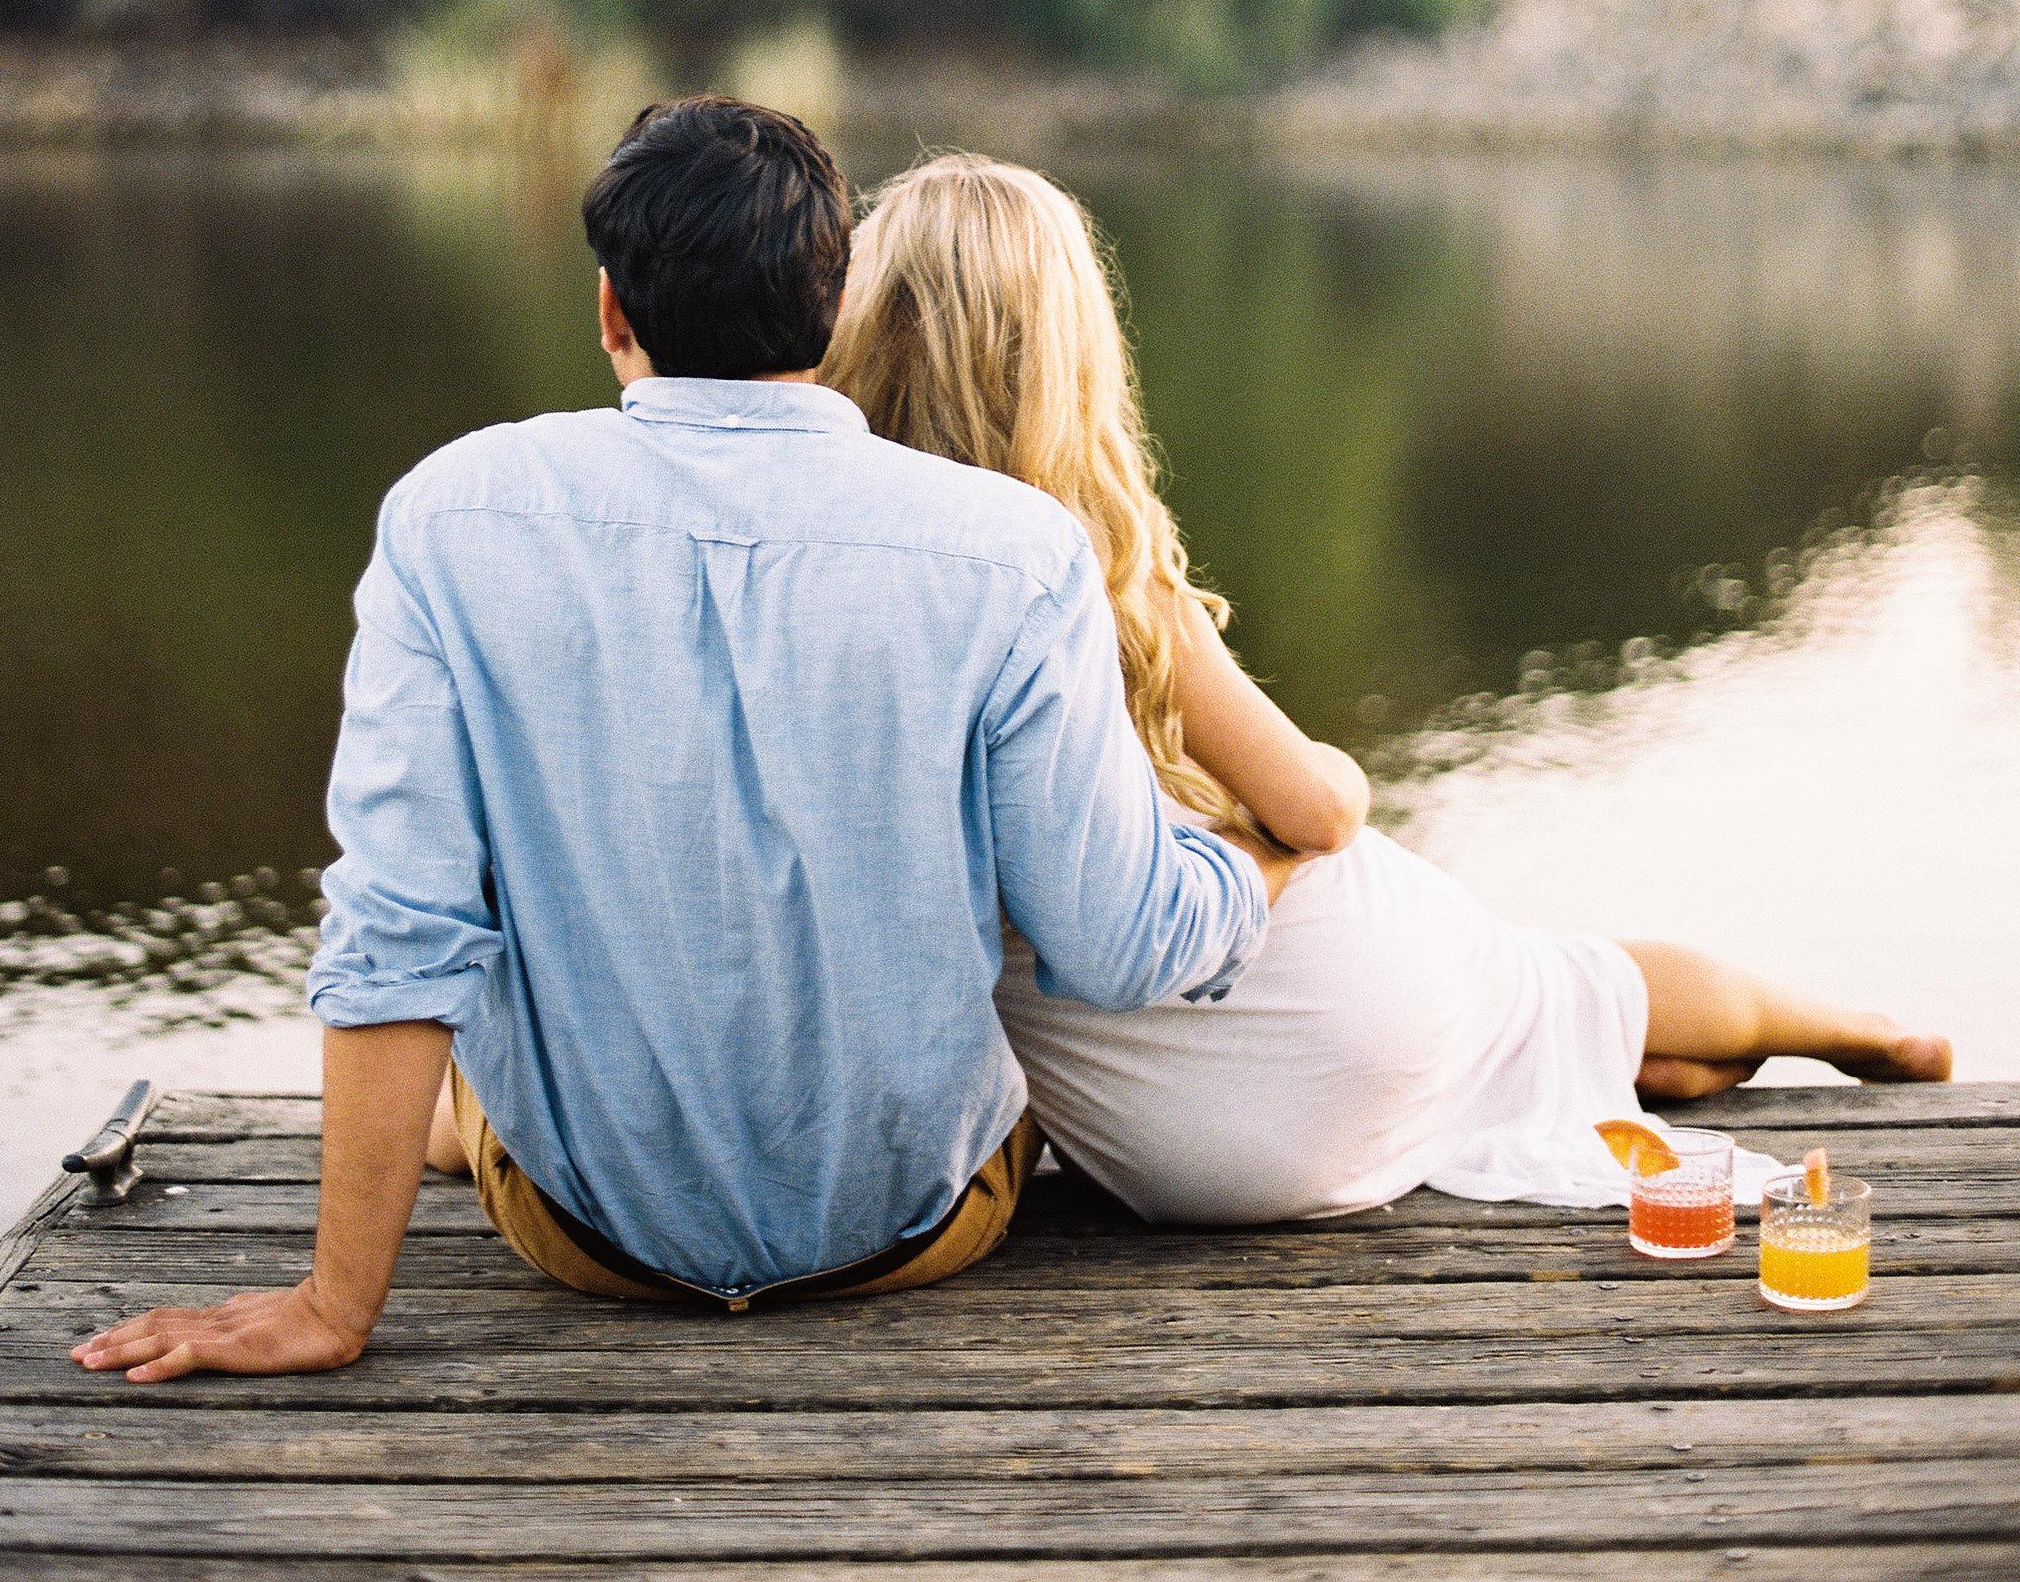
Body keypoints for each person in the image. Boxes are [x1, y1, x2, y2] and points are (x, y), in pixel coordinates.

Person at [74, 101, 1296, 1386]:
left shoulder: (452, 517)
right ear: (829, 313)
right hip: (917, 1234)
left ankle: (465, 1127)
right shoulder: (1012, 550)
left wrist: (333, 1306)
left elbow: (401, 930)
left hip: (584, 1240)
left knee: (499, 984)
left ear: (613, 312)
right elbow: (1113, 950)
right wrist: (1250, 869)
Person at [822, 152, 1954, 1227]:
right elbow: (1313, 814)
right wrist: (1344, 780)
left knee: (1582, 1035)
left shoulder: (833, 579)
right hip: (1348, 995)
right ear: (1069, 351)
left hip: (1195, 1152)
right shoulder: (1107, 566)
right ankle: (1862, 1030)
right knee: (1553, 985)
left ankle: (1762, 1042)